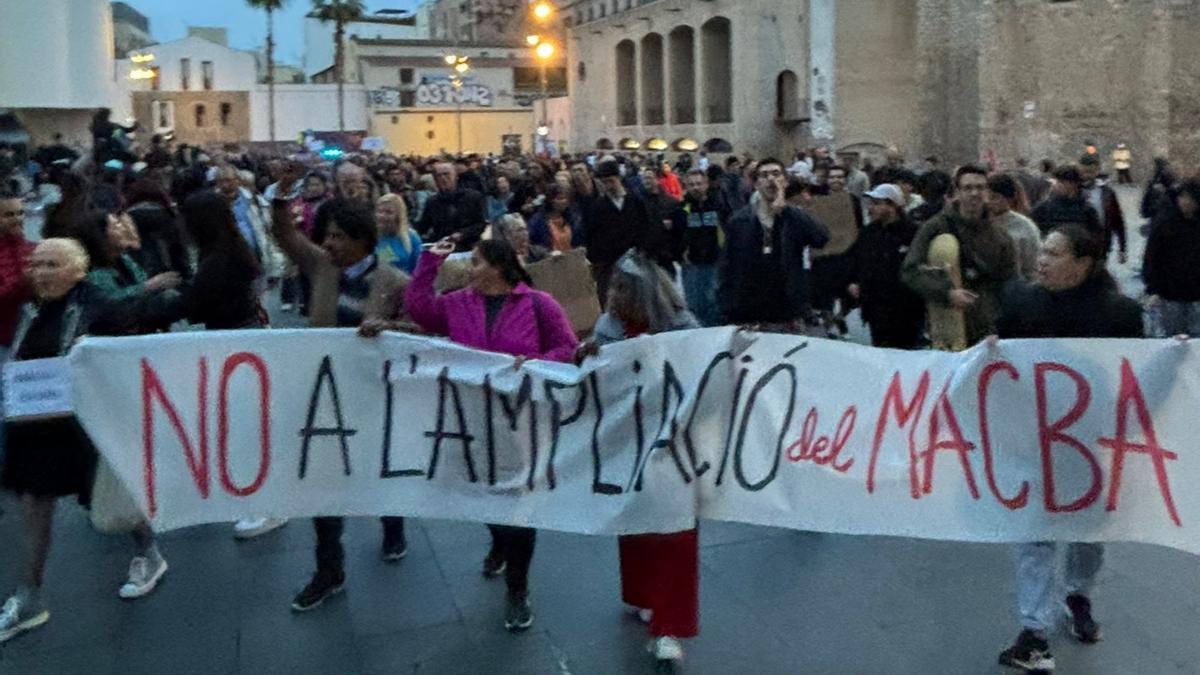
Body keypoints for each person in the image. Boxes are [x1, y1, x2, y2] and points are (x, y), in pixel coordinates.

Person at [405, 237, 578, 632]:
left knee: (518, 508)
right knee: (481, 495)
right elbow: (419, 310)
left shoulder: (539, 305)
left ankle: (517, 589)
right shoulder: (456, 303)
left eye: (477, 261)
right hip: (469, 420)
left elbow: (567, 348)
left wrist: (534, 363)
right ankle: (498, 540)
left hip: (520, 425)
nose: (470, 269)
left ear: (500, 267)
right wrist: (430, 261)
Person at [993, 224, 1143, 673]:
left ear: (1082, 264)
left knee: (1087, 530)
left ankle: (1079, 597)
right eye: (1041, 250)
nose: (1040, 259)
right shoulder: (1021, 300)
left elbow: (1138, 372)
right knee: (1034, 533)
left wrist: (1173, 357)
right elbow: (996, 355)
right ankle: (1034, 631)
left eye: (1053, 253)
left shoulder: (1120, 314)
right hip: (1034, 439)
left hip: (1091, 443)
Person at [0, 239, 165, 644]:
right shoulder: (31, 306)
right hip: (37, 424)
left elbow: (134, 330)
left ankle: (149, 553)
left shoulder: (96, 302)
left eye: (52, 264)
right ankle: (28, 597)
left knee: (108, 502)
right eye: (36, 264)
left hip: (83, 426)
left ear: (78, 270)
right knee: (35, 504)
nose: (40, 272)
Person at [270, 176, 412, 612]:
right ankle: (328, 570)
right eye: (326, 235)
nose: (327, 242)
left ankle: (393, 524)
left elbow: (419, 332)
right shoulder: (321, 266)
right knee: (323, 483)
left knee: (379, 469)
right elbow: (285, 235)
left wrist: (390, 327)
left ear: (362, 242)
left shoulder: (395, 281)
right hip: (326, 394)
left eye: (337, 236)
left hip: (374, 394)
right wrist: (280, 196)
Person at [583, 250, 700, 667]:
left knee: (675, 534)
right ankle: (644, 593)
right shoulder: (608, 327)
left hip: (673, 446)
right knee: (634, 524)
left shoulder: (683, 327)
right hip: (626, 443)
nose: (611, 296)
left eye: (620, 289)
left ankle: (669, 627)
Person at [901, 165, 1017, 347]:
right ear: (957, 191)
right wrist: (947, 293)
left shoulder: (1000, 236)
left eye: (980, 187)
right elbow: (910, 271)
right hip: (946, 324)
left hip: (986, 330)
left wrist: (1001, 327)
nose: (974, 193)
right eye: (968, 188)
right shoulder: (935, 227)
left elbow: (1010, 283)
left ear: (987, 192)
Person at [718, 158, 830, 329]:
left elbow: (821, 238)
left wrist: (787, 209)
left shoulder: (794, 217)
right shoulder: (739, 220)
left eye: (776, 174)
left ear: (785, 181)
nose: (771, 179)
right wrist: (728, 307)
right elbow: (728, 266)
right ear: (756, 184)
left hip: (788, 309)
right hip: (751, 311)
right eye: (764, 175)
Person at [846, 184, 924, 349]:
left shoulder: (913, 233)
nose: (871, 208)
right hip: (875, 310)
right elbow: (855, 260)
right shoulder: (868, 233)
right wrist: (853, 282)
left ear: (892, 205)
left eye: (876, 203)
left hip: (906, 312)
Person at [585, 160, 657, 305]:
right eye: (604, 183)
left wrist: (643, 251)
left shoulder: (635, 202)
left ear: (619, 178)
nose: (608, 186)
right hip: (609, 265)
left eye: (611, 181)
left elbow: (646, 228)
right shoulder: (598, 206)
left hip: (635, 262)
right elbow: (592, 236)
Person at [1143, 178, 1200, 336]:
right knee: (1173, 336)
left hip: (1196, 293)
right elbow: (1152, 257)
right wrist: (1153, 289)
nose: (1186, 202)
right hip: (1170, 293)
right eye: (1183, 197)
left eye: (1191, 199)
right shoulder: (1165, 223)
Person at [679, 168, 730, 327]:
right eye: (692, 184)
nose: (696, 187)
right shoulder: (682, 207)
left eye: (699, 184)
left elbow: (729, 227)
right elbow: (677, 232)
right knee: (694, 302)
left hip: (715, 259)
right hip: (692, 262)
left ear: (706, 184)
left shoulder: (719, 205)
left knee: (714, 300)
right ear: (686, 186)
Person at [122, 179, 190, 280]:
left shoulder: (126, 217)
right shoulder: (162, 214)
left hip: (142, 277)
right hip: (170, 273)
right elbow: (176, 246)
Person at [417, 161, 488, 250]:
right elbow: (423, 226)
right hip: (442, 248)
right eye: (439, 176)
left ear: (456, 176)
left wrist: (462, 234)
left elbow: (481, 224)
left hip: (469, 247)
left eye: (446, 174)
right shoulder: (432, 202)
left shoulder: (473, 197)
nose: (443, 178)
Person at [987, 173, 1042, 283]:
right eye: (986, 197)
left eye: (995, 197)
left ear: (1009, 199)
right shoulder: (976, 222)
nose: (989, 202)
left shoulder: (1025, 227)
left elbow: (1032, 267)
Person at [0, 192, 35, 358]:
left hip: (32, 339)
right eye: (9, 215)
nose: (17, 219)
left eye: (20, 213)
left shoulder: (35, 249)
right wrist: (23, 283)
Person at [1078, 155, 1128, 263]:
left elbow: (1117, 221)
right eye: (1085, 171)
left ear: (1097, 171)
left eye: (1091, 171)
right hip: (1076, 246)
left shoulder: (1107, 193)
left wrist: (1122, 248)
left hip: (1101, 246)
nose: (1087, 175)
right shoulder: (1073, 191)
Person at [1030, 165, 1102, 238]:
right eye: (1057, 181)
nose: (1057, 185)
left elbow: (1095, 237)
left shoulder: (1087, 210)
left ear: (1073, 184)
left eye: (1061, 182)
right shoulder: (1044, 208)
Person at [527, 184, 584, 253]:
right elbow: (531, 243)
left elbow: (578, 241)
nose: (564, 201)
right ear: (550, 200)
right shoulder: (537, 221)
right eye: (560, 199)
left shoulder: (571, 218)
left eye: (565, 198)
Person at [375, 193, 423, 274]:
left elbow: (419, 268)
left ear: (398, 216)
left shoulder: (411, 237)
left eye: (389, 212)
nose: (382, 216)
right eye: (380, 211)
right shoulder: (370, 237)